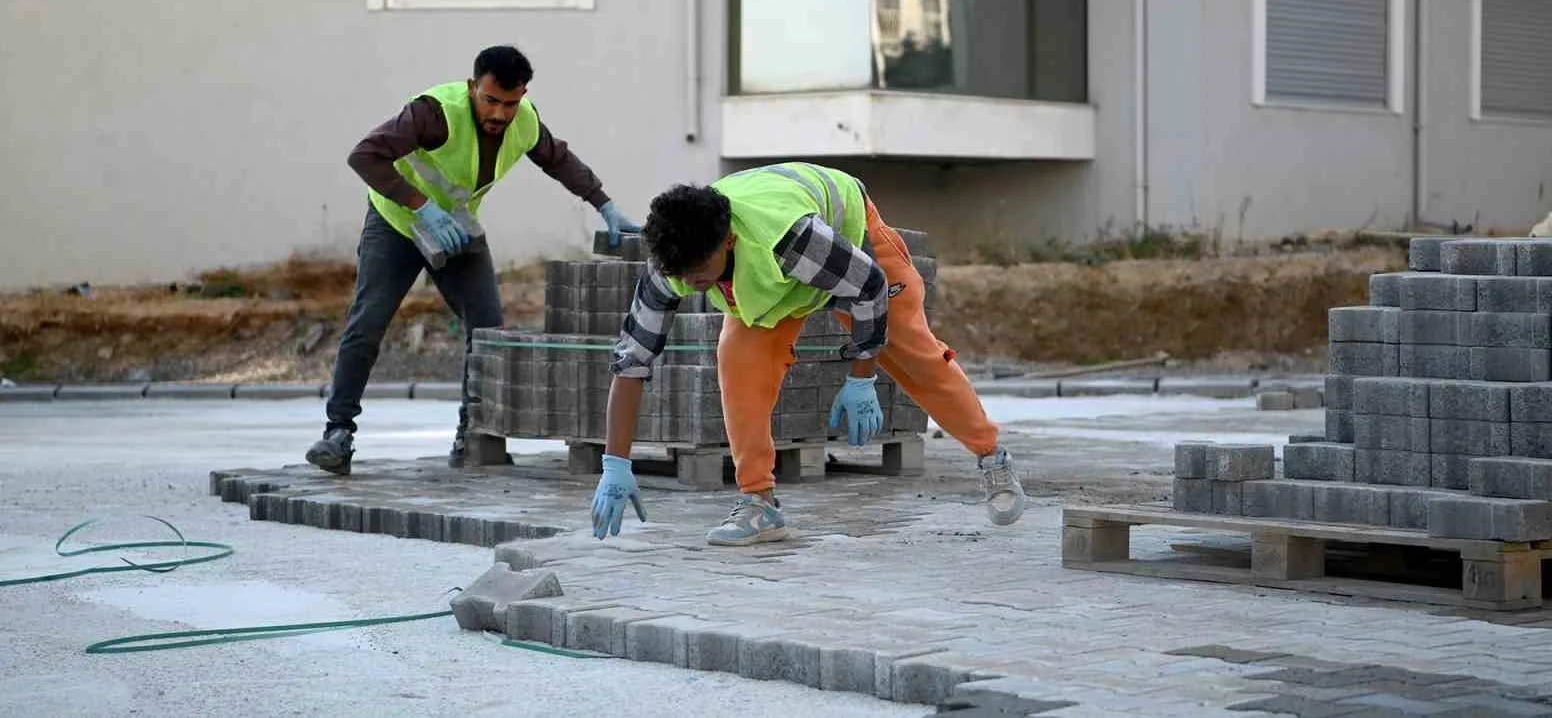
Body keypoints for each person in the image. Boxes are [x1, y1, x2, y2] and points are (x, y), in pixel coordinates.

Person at [588, 161, 1025, 546]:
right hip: (775, 285)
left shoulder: (793, 239)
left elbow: (868, 287)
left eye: (699, 273)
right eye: (681, 275)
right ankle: (759, 505)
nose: (690, 284)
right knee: (738, 366)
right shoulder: (672, 263)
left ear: (729, 240)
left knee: (914, 353)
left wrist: (861, 377)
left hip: (848, 247)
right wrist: (616, 462)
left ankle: (992, 456)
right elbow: (631, 361)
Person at [305, 45, 638, 475]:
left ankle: (471, 435)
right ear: (472, 87)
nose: (500, 114)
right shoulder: (434, 112)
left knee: (487, 329)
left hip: (459, 229)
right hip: (397, 224)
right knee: (367, 323)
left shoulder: (525, 121)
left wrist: (604, 204)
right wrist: (420, 205)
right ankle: (338, 434)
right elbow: (364, 155)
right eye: (491, 100)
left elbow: (558, 160)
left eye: (511, 103)